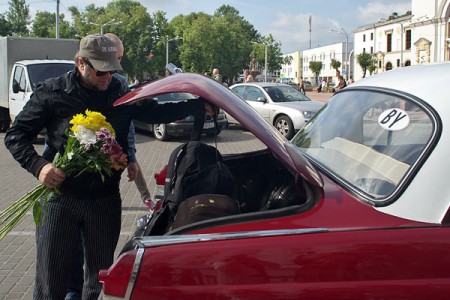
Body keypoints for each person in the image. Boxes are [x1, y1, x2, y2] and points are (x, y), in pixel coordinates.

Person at [4, 34, 211, 300]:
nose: (108, 77)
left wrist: (197, 104)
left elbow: (157, 112)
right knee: (50, 279)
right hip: (60, 200)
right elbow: (16, 135)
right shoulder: (53, 93)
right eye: (102, 71)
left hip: (104, 201)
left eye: (113, 70)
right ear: (81, 63)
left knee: (97, 277)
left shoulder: (121, 95)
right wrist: (38, 166)